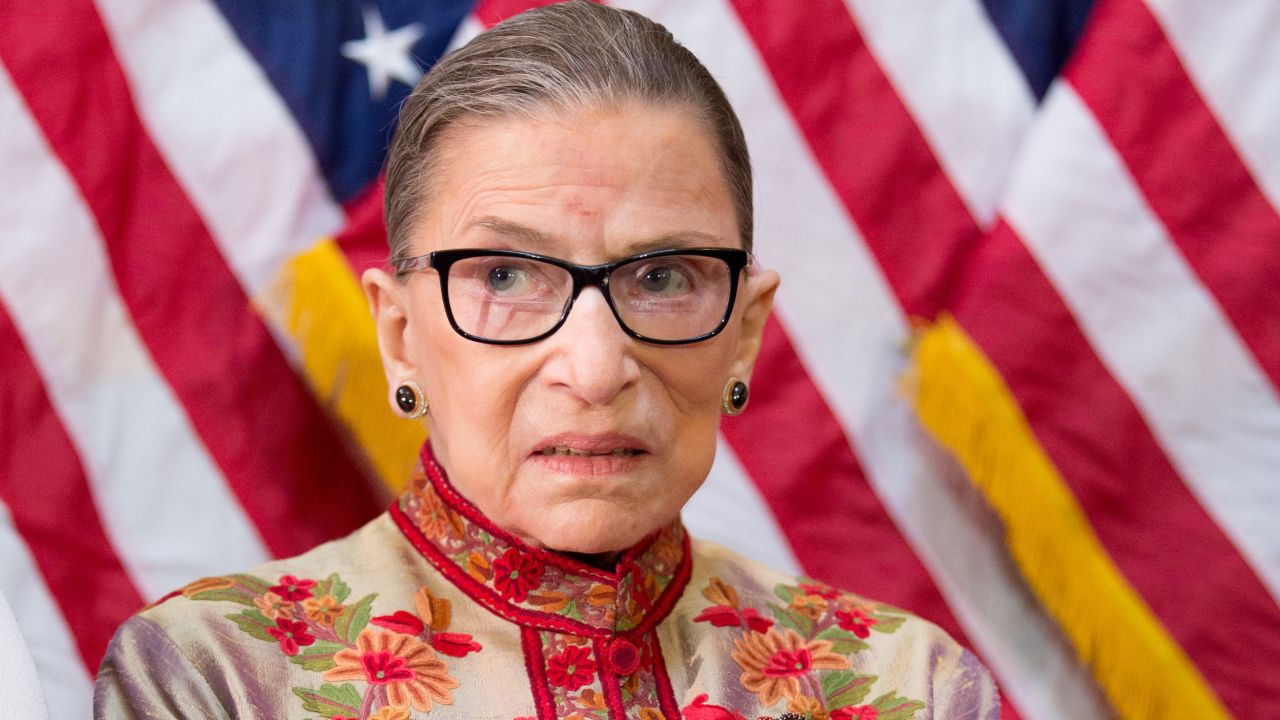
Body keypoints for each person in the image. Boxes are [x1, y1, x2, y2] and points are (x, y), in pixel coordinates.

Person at [95, 3, 999, 718]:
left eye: (663, 276)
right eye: (504, 276)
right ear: (401, 334)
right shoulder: (212, 682)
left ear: (746, 330)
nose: (596, 369)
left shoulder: (909, 689)